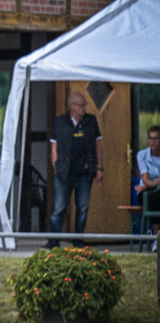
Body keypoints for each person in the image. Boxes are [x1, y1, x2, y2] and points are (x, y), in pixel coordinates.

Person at [47, 92, 102, 248]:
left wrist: (99, 167)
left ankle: (78, 241)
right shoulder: (60, 122)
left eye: (85, 104)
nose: (84, 108)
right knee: (59, 208)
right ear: (72, 106)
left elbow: (98, 145)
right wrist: (56, 166)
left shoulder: (91, 121)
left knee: (82, 207)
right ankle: (54, 242)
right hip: (64, 172)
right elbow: (54, 147)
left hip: (85, 172)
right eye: (81, 105)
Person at [134, 125, 160, 248]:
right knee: (155, 199)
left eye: (156, 138)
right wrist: (153, 184)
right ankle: (157, 239)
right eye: (150, 138)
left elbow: (148, 182)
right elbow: (145, 179)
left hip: (151, 190)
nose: (153, 142)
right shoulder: (142, 155)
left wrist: (150, 184)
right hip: (146, 193)